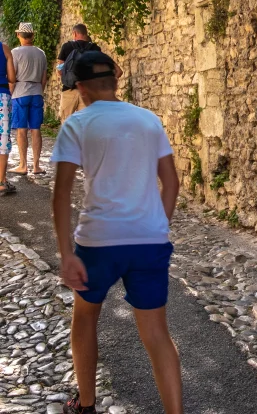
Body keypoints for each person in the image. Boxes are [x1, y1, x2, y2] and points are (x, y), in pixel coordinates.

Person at [51, 51, 182, 414]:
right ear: (116, 79)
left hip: (98, 242)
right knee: (157, 335)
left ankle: (87, 404)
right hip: (149, 242)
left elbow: (61, 194)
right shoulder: (148, 120)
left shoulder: (76, 124)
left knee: (85, 318)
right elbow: (170, 181)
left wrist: (66, 254)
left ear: (79, 87)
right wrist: (158, 224)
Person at [57, 23, 122, 122]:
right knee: (86, 123)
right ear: (86, 34)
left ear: (74, 33)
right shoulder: (95, 48)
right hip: (87, 91)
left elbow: (60, 71)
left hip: (68, 89)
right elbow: (118, 71)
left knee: (66, 123)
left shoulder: (67, 46)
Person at [10, 22, 48, 175]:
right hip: (37, 92)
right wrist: (39, 90)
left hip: (20, 92)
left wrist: (11, 93)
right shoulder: (41, 53)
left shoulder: (15, 53)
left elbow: (12, 78)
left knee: (21, 130)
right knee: (36, 129)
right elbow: (44, 79)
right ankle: (37, 166)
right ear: (33, 35)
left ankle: (23, 165)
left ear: (18, 35)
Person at [0, 40, 16, 195]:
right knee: (3, 138)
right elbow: (12, 78)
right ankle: (1, 182)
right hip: (2, 96)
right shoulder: (4, 49)